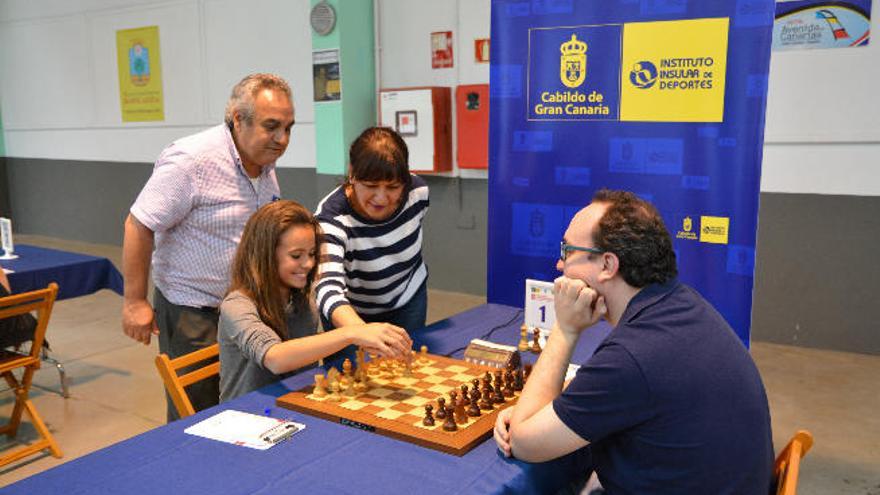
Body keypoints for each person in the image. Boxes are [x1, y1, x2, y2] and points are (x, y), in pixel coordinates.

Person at [494, 189, 774, 494]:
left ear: (607, 266)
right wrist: (539, 413)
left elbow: (523, 443)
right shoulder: (680, 304)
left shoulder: (632, 356)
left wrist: (566, 328)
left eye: (567, 251)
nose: (560, 266)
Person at [121, 73, 295, 421]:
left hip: (246, 308)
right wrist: (135, 301)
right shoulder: (191, 161)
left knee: (243, 406)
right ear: (238, 120)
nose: (282, 139)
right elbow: (138, 224)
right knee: (199, 413)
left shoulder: (264, 161)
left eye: (289, 128)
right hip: (194, 313)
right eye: (272, 126)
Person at [218, 200, 412, 402]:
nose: (309, 263)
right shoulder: (237, 305)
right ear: (264, 254)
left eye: (312, 253)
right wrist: (352, 333)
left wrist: (365, 335)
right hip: (246, 414)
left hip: (297, 403)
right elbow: (275, 358)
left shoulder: (302, 297)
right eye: (296, 255)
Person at [314, 127, 429, 361]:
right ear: (352, 174)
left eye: (393, 187)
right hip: (351, 311)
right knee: (353, 380)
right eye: (371, 186)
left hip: (408, 298)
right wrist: (360, 331)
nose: (381, 198)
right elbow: (327, 288)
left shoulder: (419, 192)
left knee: (405, 371)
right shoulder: (331, 219)